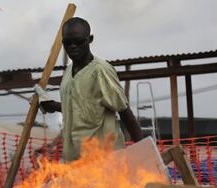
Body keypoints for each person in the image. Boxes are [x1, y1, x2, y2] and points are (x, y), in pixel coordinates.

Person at [35, 17, 142, 162]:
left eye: (78, 41)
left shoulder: (100, 71)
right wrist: (52, 105)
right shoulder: (68, 73)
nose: (73, 46)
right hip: (76, 160)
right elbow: (80, 107)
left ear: (89, 39)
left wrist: (144, 149)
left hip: (104, 159)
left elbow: (124, 110)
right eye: (67, 42)